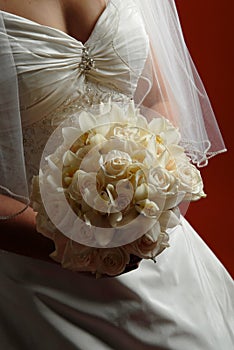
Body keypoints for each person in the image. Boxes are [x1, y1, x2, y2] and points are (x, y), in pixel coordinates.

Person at [0, 0, 233, 349]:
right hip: (34, 268)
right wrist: (72, 242)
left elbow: (158, 98)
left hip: (146, 232)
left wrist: (152, 183)